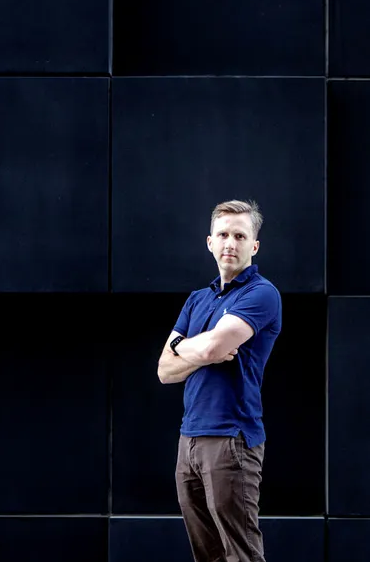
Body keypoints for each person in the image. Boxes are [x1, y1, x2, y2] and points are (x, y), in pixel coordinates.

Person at [157, 199, 282, 562]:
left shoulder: (261, 293)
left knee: (241, 554)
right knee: (207, 556)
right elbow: (164, 370)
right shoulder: (197, 300)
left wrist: (185, 348)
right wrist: (197, 349)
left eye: (240, 236)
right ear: (210, 242)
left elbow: (213, 348)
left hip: (232, 438)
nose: (231, 242)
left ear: (254, 246)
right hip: (189, 438)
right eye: (223, 234)